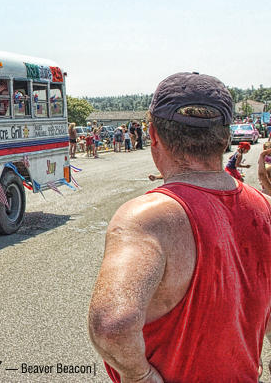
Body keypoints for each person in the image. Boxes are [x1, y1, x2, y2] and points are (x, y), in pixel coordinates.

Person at [88, 72, 271, 382]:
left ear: (154, 136)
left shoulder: (146, 218)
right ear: (225, 138)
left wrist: (139, 376)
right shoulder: (266, 208)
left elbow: (112, 326)